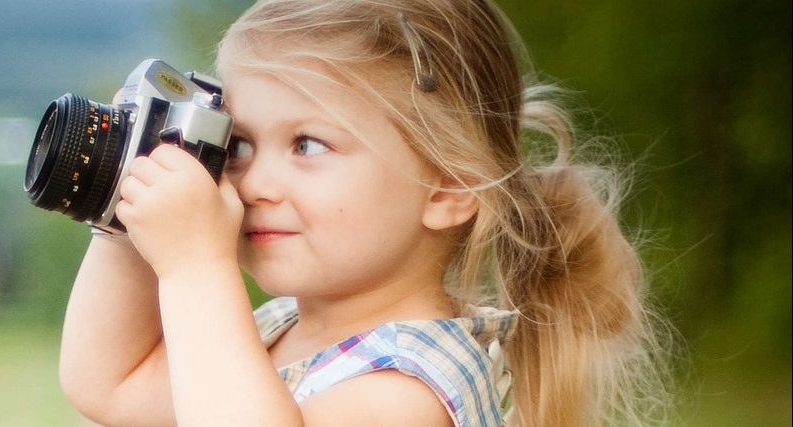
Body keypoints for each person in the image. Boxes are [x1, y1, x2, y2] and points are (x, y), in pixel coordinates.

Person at [57, 0, 671, 425]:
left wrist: (196, 267)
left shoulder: (413, 388)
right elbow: (112, 386)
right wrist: (129, 207)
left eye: (307, 145)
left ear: (448, 188)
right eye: (238, 145)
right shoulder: (279, 329)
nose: (255, 183)